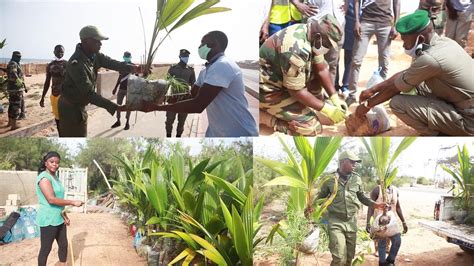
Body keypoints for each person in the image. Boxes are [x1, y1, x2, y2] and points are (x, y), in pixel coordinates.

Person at [355, 10, 474, 136]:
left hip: (469, 121)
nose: (404, 45)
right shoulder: (446, 43)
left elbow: (395, 88)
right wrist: (373, 90)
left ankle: (438, 136)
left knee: (397, 103)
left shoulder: (430, 59)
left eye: (405, 41)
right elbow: (407, 74)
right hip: (464, 104)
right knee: (417, 83)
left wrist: (366, 106)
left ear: (420, 38)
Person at [138, 31, 258, 137]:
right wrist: (161, 98)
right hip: (216, 132)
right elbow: (191, 96)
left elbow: (198, 105)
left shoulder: (222, 65)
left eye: (202, 42)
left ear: (214, 43)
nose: (199, 46)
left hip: (238, 132)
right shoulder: (205, 71)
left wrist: (157, 107)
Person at [259, 15, 348, 136]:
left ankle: (305, 108)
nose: (328, 48)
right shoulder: (295, 49)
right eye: (328, 44)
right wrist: (327, 109)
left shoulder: (310, 35)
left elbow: (321, 69)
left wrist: (334, 97)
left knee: (324, 114)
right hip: (269, 91)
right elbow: (296, 91)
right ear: (318, 37)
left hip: (284, 82)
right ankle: (267, 118)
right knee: (312, 128)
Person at [58, 25, 143, 137]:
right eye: (97, 41)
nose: (101, 44)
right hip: (71, 109)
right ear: (87, 41)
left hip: (79, 105)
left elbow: (112, 63)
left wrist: (134, 68)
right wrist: (116, 107)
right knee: (76, 136)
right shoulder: (77, 64)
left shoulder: (93, 55)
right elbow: (89, 94)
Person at [316, 151, 387, 266]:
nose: (355, 165)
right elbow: (319, 198)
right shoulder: (329, 179)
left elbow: (362, 197)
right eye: (352, 162)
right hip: (335, 222)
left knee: (349, 258)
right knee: (339, 258)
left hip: (351, 222)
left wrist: (376, 205)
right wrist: (312, 209)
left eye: (356, 163)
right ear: (343, 162)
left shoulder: (356, 179)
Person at [36, 151, 84, 266]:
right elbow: (51, 199)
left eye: (57, 162)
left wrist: (65, 216)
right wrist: (73, 202)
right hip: (48, 219)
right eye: (51, 162)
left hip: (59, 218)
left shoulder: (55, 177)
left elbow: (59, 199)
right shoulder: (44, 178)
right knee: (45, 249)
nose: (54, 164)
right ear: (46, 163)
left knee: (63, 245)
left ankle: (63, 264)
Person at [348, 0, 400, 101]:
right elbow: (357, 2)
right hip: (366, 22)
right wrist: (357, 21)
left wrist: (396, 24)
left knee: (384, 63)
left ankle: (379, 96)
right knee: (356, 61)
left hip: (385, 24)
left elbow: (397, 3)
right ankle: (351, 94)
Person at [366, 184, 408, 265]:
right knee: (382, 244)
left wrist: (404, 222)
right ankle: (382, 263)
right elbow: (371, 207)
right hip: (380, 222)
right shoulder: (377, 190)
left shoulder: (395, 190)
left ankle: (390, 261)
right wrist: (368, 222)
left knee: (397, 240)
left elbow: (398, 207)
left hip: (392, 222)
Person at [165, 49, 196, 137]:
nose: (186, 58)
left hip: (185, 99)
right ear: (180, 57)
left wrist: (193, 99)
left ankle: (178, 136)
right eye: (184, 57)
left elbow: (194, 85)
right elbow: (167, 82)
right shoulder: (173, 68)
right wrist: (162, 96)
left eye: (187, 57)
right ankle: (168, 135)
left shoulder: (190, 70)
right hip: (173, 98)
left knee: (181, 122)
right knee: (169, 121)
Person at [40, 45, 67, 133]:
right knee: (57, 118)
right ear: (54, 52)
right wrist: (42, 97)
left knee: (65, 118)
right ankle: (61, 134)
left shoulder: (67, 64)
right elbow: (47, 82)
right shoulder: (50, 65)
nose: (60, 53)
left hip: (64, 96)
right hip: (54, 95)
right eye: (58, 51)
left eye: (62, 52)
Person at [111, 51, 134, 131]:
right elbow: (120, 77)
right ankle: (118, 121)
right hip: (121, 89)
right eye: (125, 56)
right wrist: (115, 88)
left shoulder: (134, 66)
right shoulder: (121, 65)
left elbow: (137, 78)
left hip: (129, 90)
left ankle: (127, 122)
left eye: (127, 56)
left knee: (128, 106)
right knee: (118, 106)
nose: (126, 58)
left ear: (130, 57)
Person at [6, 51, 27, 130]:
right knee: (15, 106)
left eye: (20, 56)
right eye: (18, 56)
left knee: (11, 105)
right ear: (13, 56)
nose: (19, 58)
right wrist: (19, 81)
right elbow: (13, 73)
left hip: (13, 89)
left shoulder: (12, 63)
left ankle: (10, 122)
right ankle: (13, 125)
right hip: (15, 89)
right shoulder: (13, 63)